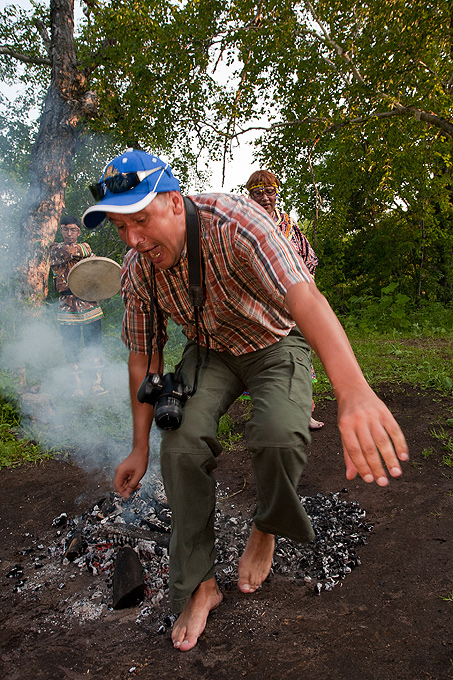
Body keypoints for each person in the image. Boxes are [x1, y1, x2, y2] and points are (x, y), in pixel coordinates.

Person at [82, 149, 408, 653]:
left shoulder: (235, 222)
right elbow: (142, 359)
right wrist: (139, 447)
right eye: (121, 229)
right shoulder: (138, 266)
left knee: (278, 435)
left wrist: (353, 392)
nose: (133, 240)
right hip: (210, 351)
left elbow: (306, 299)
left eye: (140, 221)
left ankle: (267, 527)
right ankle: (200, 585)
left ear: (173, 201)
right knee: (181, 446)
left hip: (275, 342)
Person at [245, 169, 324, 429]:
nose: (265, 197)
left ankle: (305, 412)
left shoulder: (288, 224)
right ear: (250, 195)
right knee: (262, 358)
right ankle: (266, 412)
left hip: (291, 303)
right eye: (258, 193)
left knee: (299, 356)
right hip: (256, 304)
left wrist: (302, 286)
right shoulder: (243, 222)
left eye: (270, 192)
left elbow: (308, 257)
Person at [49, 216, 106, 396]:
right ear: (61, 231)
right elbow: (66, 253)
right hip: (66, 304)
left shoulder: (86, 247)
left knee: (94, 344)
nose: (69, 233)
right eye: (65, 229)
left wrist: (83, 251)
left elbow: (93, 260)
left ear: (78, 232)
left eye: (73, 229)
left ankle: (96, 383)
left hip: (89, 301)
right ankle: (77, 387)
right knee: (71, 346)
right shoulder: (54, 249)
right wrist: (81, 252)